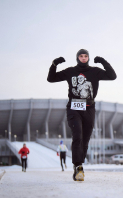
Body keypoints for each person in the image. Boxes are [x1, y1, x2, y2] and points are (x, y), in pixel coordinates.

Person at [47, 49, 116, 181]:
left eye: (86, 56)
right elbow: (51, 79)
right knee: (77, 134)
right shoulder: (70, 71)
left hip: (89, 108)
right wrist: (54, 64)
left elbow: (112, 76)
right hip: (74, 108)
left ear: (88, 58)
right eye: (81, 56)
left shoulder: (95, 71)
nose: (83, 58)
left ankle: (79, 164)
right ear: (77, 58)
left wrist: (103, 62)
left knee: (85, 139)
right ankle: (78, 166)